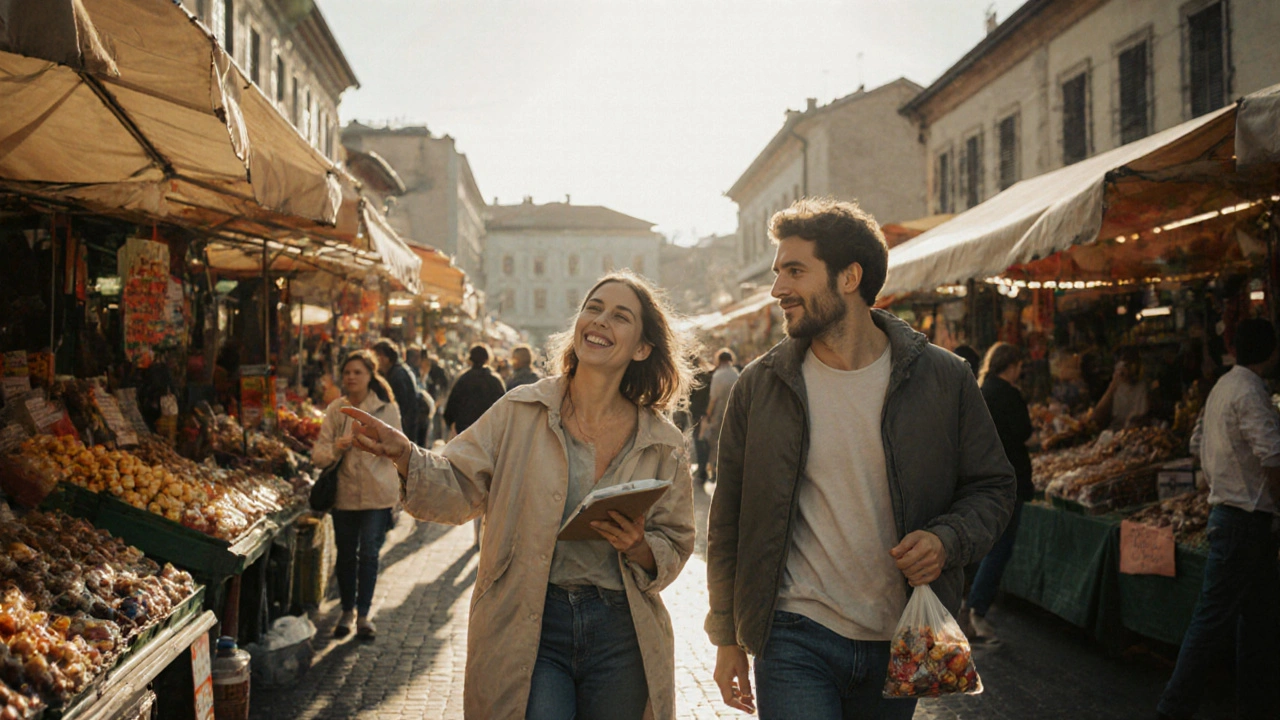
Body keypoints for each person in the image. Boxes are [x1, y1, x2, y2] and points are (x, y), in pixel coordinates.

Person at [705, 198, 1015, 719]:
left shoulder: (944, 378)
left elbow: (993, 487)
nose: (778, 289)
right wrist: (725, 636)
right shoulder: (760, 386)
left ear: (850, 277)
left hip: (901, 636)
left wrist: (947, 540)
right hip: (792, 633)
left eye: (795, 271)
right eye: (779, 272)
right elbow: (728, 519)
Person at [339, 271, 697, 719]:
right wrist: (406, 455)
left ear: (642, 348)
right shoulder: (521, 409)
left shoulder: (662, 441)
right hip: (529, 620)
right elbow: (458, 485)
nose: (601, 320)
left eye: (620, 316)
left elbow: (677, 540)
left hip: (620, 632)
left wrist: (640, 546)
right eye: (594, 308)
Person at [1157, 319, 1280, 720]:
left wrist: (1220, 473)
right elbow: (1272, 457)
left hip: (1236, 518)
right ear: (1271, 352)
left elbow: (1196, 443)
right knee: (1212, 622)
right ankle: (1173, 708)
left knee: (1257, 619)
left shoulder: (1223, 387)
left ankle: (1257, 704)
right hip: (1243, 521)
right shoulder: (1249, 391)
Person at [311, 350, 402, 640]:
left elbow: (401, 449)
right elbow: (319, 455)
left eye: (357, 372)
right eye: (347, 372)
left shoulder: (387, 409)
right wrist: (338, 447)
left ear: (370, 376)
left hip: (378, 493)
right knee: (347, 555)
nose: (351, 377)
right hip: (345, 493)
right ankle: (347, 611)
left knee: (370, 554)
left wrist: (374, 444)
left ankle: (364, 614)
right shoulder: (336, 409)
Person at [964, 342, 1034, 643]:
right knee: (1000, 546)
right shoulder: (1008, 395)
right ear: (1012, 365)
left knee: (987, 543)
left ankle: (970, 604)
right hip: (1008, 479)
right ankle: (976, 609)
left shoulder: (982, 389)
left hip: (982, 476)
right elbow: (1024, 431)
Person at [443, 344, 507, 437]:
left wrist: (453, 426)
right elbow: (503, 409)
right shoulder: (495, 381)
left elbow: (450, 409)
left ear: (470, 359)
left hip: (464, 431)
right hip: (487, 432)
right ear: (487, 359)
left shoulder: (463, 379)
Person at [700, 348, 740, 483]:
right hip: (733, 413)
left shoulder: (717, 376)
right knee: (730, 442)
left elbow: (713, 398)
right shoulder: (736, 374)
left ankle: (714, 470)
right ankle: (727, 470)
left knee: (714, 443)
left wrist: (708, 413)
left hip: (718, 414)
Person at [373, 339, 420, 450]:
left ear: (385, 357)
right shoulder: (398, 372)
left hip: (403, 429)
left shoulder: (397, 376)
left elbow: (401, 406)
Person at [1089, 347, 1150, 429]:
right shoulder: (1116, 385)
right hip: (1115, 432)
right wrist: (1112, 386)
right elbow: (1096, 417)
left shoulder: (1143, 386)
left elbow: (1143, 416)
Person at [687, 357, 714, 483]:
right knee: (705, 442)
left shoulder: (695, 376)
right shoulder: (709, 375)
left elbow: (690, 395)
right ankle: (704, 469)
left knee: (698, 441)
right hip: (707, 412)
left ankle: (702, 471)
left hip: (697, 412)